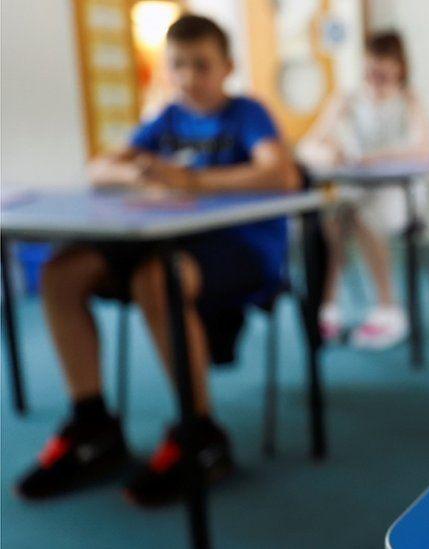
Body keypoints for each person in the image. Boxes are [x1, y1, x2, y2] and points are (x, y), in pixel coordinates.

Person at [15, 15, 299, 505]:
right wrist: (142, 173)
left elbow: (281, 174)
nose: (189, 77)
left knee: (158, 279)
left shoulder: (247, 113)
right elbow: (102, 166)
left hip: (243, 246)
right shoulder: (165, 119)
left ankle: (200, 436)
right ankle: (93, 428)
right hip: (165, 237)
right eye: (178, 65)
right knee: (60, 271)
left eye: (201, 65)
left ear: (227, 66)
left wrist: (193, 182)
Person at [297, 30, 429, 349]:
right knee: (333, 217)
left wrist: (375, 157)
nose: (376, 77)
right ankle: (329, 306)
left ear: (399, 67)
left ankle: (389, 309)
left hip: (401, 194)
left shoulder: (408, 99)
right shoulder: (348, 98)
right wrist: (329, 152)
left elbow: (424, 148)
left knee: (359, 214)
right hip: (358, 190)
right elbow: (309, 145)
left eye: (383, 70)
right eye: (371, 69)